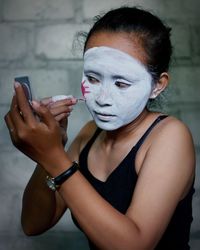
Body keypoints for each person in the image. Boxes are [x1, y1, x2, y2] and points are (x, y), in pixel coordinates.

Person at [5, 6, 195, 250]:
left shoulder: (170, 136)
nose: (103, 98)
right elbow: (33, 224)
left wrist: (53, 156)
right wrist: (50, 150)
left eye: (121, 83)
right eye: (93, 78)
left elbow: (134, 246)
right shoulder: (89, 134)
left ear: (157, 85)